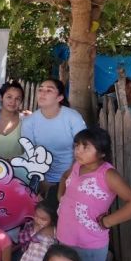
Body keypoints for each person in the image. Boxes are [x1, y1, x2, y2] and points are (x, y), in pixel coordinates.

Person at [57, 126, 131, 261]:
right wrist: (61, 196)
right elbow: (64, 176)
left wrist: (108, 221)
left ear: (101, 152)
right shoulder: (77, 166)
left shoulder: (108, 174)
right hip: (64, 238)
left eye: (86, 147)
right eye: (76, 146)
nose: (78, 151)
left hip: (90, 245)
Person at [21, 78, 86, 207]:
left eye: (49, 90)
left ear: (60, 97)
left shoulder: (73, 117)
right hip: (40, 179)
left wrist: (67, 178)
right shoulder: (29, 121)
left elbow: (83, 150)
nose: (42, 93)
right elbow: (30, 153)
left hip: (72, 176)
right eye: (41, 90)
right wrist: (42, 180)